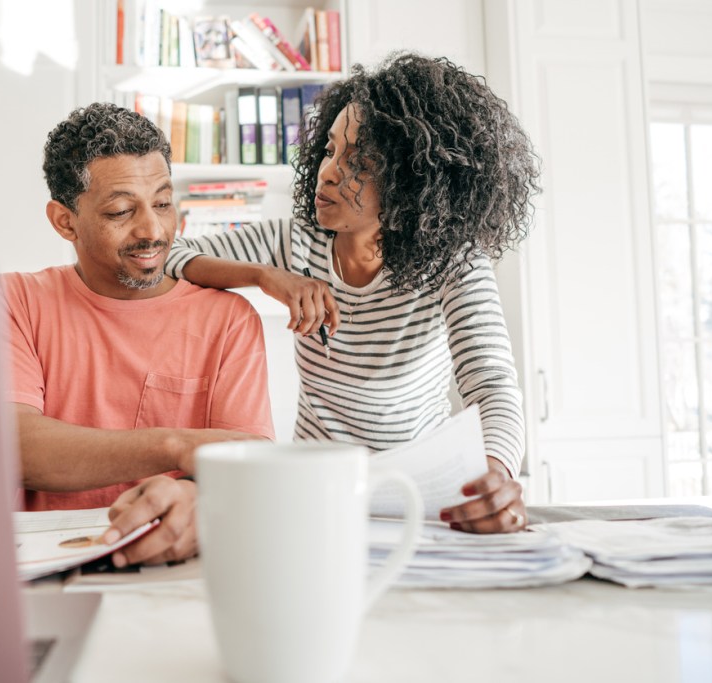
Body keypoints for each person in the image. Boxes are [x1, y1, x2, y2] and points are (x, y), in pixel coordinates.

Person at [165, 52, 540, 533]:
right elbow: (173, 254)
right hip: (317, 490)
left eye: (359, 163)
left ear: (414, 182)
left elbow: (490, 381)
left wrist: (497, 474)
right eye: (329, 150)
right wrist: (264, 276)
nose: (328, 172)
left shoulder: (453, 261)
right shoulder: (295, 241)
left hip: (418, 496)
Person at [0, 103, 274, 566]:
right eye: (122, 211)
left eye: (164, 204)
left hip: (181, 564)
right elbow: (14, 444)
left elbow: (246, 465)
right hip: (43, 565)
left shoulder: (230, 320)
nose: (153, 230)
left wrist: (191, 502)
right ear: (65, 221)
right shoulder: (16, 300)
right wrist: (176, 445)